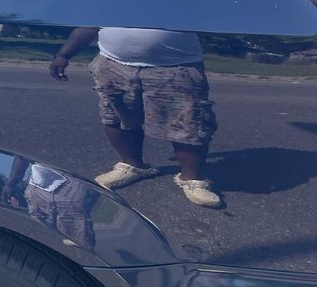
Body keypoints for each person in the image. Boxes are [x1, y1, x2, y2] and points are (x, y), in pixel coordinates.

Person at [50, 26, 221, 208]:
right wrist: (63, 55)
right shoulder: (109, 4)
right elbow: (89, 25)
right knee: (117, 117)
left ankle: (192, 179)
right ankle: (133, 165)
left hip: (177, 65)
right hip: (113, 63)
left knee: (188, 123)